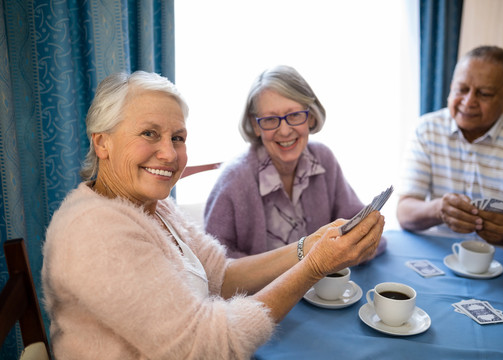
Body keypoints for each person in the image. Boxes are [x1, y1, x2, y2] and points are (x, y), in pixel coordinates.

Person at [41, 71, 385, 359]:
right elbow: (206, 346)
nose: (168, 153)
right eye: (149, 133)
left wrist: (307, 247)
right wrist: (314, 266)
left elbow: (221, 275)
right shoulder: (95, 232)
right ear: (102, 143)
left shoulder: (154, 208)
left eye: (177, 137)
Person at [204, 65, 387, 258]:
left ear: (311, 116)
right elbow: (213, 266)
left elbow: (359, 223)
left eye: (294, 116)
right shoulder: (235, 179)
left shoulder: (323, 159)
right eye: (270, 119)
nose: (284, 131)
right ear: (255, 125)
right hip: (261, 289)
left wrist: (365, 239)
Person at [397, 45, 503, 259]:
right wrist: (439, 210)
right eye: (461, 89)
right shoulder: (426, 129)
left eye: (484, 94)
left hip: (502, 260)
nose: (468, 101)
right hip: (434, 253)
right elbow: (404, 213)